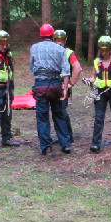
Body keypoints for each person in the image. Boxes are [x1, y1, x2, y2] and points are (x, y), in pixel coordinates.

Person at [29, 23, 72, 155]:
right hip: (56, 85)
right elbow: (66, 71)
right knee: (59, 114)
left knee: (42, 117)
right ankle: (65, 144)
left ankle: (47, 147)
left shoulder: (34, 48)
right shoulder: (60, 49)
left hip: (41, 85)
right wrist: (65, 89)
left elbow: (32, 68)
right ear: (52, 35)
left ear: (41, 35)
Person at [52, 29, 83, 143]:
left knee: (61, 111)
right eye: (57, 40)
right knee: (56, 112)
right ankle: (62, 136)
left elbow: (77, 68)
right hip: (53, 84)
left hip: (62, 85)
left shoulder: (69, 53)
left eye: (61, 40)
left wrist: (70, 83)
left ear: (65, 41)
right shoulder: (52, 52)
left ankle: (68, 136)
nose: (59, 42)